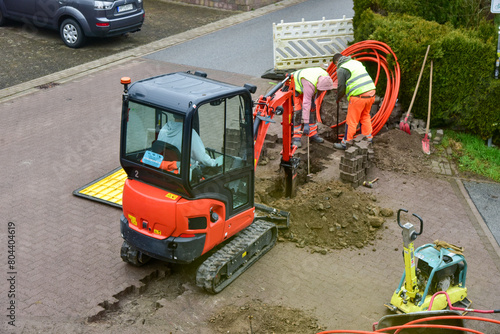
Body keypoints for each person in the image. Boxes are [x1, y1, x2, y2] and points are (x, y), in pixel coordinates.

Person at [332, 53, 376, 150]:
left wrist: (338, 98)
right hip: (371, 93)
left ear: (336, 62)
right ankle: (368, 139)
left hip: (358, 96)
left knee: (352, 120)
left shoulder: (341, 68)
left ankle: (346, 143)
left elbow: (341, 87)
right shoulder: (356, 62)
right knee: (365, 116)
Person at [292, 67, 335, 148]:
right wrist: (306, 124)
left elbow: (319, 92)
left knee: (312, 108)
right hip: (295, 87)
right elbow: (306, 103)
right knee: (298, 111)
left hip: (307, 85)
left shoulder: (325, 76)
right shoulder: (310, 84)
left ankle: (312, 134)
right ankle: (296, 138)